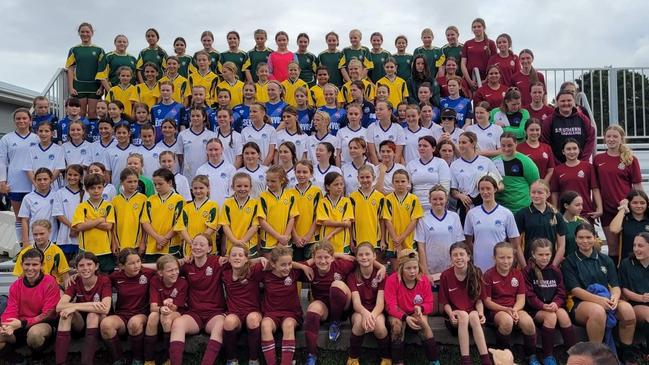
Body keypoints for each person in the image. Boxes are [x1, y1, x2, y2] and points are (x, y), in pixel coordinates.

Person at [561, 222, 637, 363]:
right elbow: (575, 290)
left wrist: (614, 297)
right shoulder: (570, 261)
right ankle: (595, 356)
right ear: (575, 239)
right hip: (580, 303)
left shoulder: (605, 260)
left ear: (595, 237)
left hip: (606, 300)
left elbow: (615, 285)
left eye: (589, 237)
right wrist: (599, 301)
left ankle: (626, 354)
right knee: (598, 311)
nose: (585, 241)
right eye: (581, 237)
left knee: (627, 311)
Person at [169, 235, 227, 365]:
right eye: (195, 244)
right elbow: (164, 266)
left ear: (209, 248)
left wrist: (261, 259)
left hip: (214, 313)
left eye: (201, 244)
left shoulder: (217, 262)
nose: (197, 247)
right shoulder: (187, 265)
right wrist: (182, 261)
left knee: (221, 325)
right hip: (194, 314)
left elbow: (240, 261)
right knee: (178, 324)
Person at [483, 241, 540, 365]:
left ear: (513, 257)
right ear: (494, 258)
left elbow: (521, 298)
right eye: (501, 257)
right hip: (496, 310)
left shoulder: (517, 274)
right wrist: (505, 309)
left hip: (515, 309)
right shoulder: (488, 275)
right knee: (507, 322)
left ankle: (531, 355)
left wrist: (514, 309)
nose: (506, 261)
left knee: (528, 323)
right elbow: (487, 302)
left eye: (509, 257)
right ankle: (503, 355)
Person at [0, 248, 60, 364]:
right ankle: (15, 358)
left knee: (34, 335)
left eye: (35, 264)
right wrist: (6, 325)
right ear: (22, 265)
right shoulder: (16, 285)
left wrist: (22, 323)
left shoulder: (50, 282)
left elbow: (49, 313)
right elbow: (11, 309)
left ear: (41, 265)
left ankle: (37, 358)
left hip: (42, 324)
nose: (30, 268)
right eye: (27, 264)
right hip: (18, 326)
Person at [524, 238, 576, 365]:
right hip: (535, 309)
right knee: (551, 317)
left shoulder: (555, 270)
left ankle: (573, 352)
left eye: (547, 254)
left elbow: (561, 292)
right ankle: (548, 355)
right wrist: (542, 305)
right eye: (540, 255)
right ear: (533, 254)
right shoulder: (527, 271)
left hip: (553, 306)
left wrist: (556, 303)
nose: (544, 258)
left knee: (563, 315)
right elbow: (528, 295)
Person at [438, 242, 492, 365]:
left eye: (462, 254)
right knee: (463, 315)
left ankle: (486, 359)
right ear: (451, 258)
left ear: (468, 256)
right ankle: (466, 361)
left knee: (473, 315)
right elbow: (445, 302)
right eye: (455, 255)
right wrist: (451, 314)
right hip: (454, 317)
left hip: (472, 315)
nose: (458, 257)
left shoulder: (476, 272)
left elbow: (479, 300)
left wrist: (481, 313)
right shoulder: (446, 275)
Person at [595, 125, 643, 264]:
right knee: (613, 248)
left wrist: (640, 206)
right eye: (608, 136)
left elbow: (638, 187)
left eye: (615, 136)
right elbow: (596, 187)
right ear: (604, 138)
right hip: (607, 210)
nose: (611, 139)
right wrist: (599, 207)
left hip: (626, 210)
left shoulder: (630, 159)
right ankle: (614, 281)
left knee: (630, 246)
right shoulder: (598, 159)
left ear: (621, 138)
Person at [384, 249, 441, 365]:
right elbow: (390, 306)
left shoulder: (423, 280)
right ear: (401, 268)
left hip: (416, 313)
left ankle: (434, 360)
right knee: (397, 326)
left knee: (424, 324)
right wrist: (405, 317)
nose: (412, 271)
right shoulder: (392, 280)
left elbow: (430, 303)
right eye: (408, 268)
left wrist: (421, 308)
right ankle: (398, 361)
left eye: (415, 268)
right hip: (399, 314)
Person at [303, 241, 356, 364]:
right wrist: (304, 266)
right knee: (312, 309)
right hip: (325, 308)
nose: (323, 261)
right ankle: (311, 355)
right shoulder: (310, 270)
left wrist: (380, 267)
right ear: (313, 258)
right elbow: (289, 265)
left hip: (342, 306)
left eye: (326, 257)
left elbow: (362, 259)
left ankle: (335, 323)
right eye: (319, 257)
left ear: (332, 258)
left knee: (336, 285)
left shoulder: (341, 265)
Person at [55, 252, 112, 365]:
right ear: (76, 268)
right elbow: (59, 307)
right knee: (65, 314)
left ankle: (87, 362)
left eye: (89, 264)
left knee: (92, 314)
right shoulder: (74, 281)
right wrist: (79, 307)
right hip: (80, 324)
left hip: (100, 324)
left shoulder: (104, 280)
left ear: (96, 266)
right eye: (81, 265)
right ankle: (60, 362)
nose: (85, 268)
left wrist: (75, 306)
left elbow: (105, 308)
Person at [101, 249, 156, 365]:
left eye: (138, 261)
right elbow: (98, 280)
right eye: (131, 263)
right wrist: (77, 275)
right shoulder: (115, 277)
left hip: (141, 315)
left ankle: (138, 359)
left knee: (134, 323)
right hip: (121, 316)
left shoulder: (148, 273)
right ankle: (118, 360)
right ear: (121, 266)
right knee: (106, 325)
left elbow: (166, 265)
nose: (136, 266)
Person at [260, 246, 312, 365]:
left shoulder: (294, 272)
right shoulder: (264, 274)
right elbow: (246, 264)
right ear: (273, 264)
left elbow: (314, 259)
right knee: (265, 325)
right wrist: (259, 260)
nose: (287, 267)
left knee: (288, 325)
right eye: (283, 265)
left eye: (290, 263)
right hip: (271, 314)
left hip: (291, 314)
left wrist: (303, 266)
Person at [345, 241, 391, 365]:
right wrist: (365, 314)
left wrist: (372, 316)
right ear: (356, 257)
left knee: (380, 326)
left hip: (377, 310)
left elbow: (380, 303)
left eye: (367, 254)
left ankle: (386, 357)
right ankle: (353, 357)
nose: (364, 257)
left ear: (374, 256)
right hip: (359, 311)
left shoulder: (381, 275)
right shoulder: (352, 276)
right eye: (360, 255)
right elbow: (356, 303)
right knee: (360, 323)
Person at [464, 176, 521, 271]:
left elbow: (514, 242)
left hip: (500, 263)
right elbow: (468, 241)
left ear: (495, 189)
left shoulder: (506, 213)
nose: (485, 192)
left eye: (488, 188)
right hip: (479, 263)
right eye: (482, 189)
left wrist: (508, 258)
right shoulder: (472, 213)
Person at [220, 243, 265, 364]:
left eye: (241, 255)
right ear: (229, 258)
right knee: (229, 321)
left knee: (252, 319)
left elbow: (277, 264)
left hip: (253, 311)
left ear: (246, 259)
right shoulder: (225, 273)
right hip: (235, 313)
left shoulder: (254, 270)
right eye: (233, 255)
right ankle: (232, 359)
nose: (237, 257)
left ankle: (254, 359)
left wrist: (260, 259)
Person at [0, 108, 40, 241]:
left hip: (34, 184)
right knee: (19, 218)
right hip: (15, 184)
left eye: (24, 118)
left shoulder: (37, 138)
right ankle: (22, 248)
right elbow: (2, 161)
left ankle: (34, 246)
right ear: (14, 121)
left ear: (30, 120)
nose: (21, 121)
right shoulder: (7, 138)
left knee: (34, 217)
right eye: (18, 118)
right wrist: (2, 182)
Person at [450, 131, 503, 222]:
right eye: (459, 142)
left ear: (473, 143)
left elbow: (501, 185)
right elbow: (453, 190)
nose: (461, 145)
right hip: (465, 204)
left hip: (485, 202)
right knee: (467, 233)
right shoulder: (455, 165)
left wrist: (488, 191)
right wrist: (460, 196)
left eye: (464, 142)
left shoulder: (486, 162)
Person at [144, 255, 187, 365]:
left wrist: (169, 305)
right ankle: (149, 360)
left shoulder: (182, 283)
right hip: (159, 311)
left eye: (176, 269)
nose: (174, 273)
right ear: (160, 273)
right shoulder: (154, 281)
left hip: (176, 314)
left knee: (166, 318)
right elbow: (153, 307)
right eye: (170, 270)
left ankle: (167, 357)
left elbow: (176, 307)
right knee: (153, 316)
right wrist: (162, 307)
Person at [416, 185, 464, 283]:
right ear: (429, 200)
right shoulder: (423, 218)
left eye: (441, 199)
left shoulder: (454, 217)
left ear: (446, 199)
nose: (438, 202)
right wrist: (425, 272)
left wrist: (456, 265)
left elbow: (459, 244)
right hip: (431, 268)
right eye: (434, 199)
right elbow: (421, 246)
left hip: (451, 266)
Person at [72, 173, 116, 273]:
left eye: (99, 187)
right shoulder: (81, 207)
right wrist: (100, 220)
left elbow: (108, 226)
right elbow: (79, 226)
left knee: (105, 276)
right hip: (86, 249)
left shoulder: (108, 206)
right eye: (92, 188)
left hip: (105, 249)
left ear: (103, 188)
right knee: (87, 274)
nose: (96, 191)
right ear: (87, 189)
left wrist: (89, 222)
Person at [516, 180, 567, 264]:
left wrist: (553, 266)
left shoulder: (556, 215)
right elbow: (516, 245)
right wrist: (525, 267)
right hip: (530, 263)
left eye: (540, 193)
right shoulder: (522, 214)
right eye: (533, 192)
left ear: (548, 194)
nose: (536, 195)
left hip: (550, 263)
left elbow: (561, 245)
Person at [550, 139, 602, 222]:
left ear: (579, 150)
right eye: (568, 149)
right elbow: (555, 193)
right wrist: (555, 210)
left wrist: (599, 208)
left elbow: (595, 189)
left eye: (574, 148)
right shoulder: (557, 170)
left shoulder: (588, 167)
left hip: (585, 212)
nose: (572, 151)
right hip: (565, 214)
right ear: (563, 152)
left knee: (585, 235)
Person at [140, 168, 185, 262]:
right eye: (155, 184)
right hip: (152, 246)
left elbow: (179, 224)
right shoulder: (150, 200)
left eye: (160, 184)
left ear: (169, 183)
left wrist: (164, 239)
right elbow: (145, 222)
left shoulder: (179, 200)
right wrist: (157, 238)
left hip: (171, 246)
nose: (157, 187)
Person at [382, 169, 424, 268]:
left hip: (409, 241)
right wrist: (396, 239)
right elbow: (387, 220)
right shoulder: (388, 199)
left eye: (403, 181)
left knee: (410, 269)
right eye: (397, 181)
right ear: (392, 183)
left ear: (408, 183)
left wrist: (401, 238)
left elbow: (414, 221)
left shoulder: (414, 199)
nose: (400, 184)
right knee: (397, 271)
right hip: (393, 243)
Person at [542, 90, 595, 164]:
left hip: (580, 164)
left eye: (569, 100)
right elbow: (545, 143)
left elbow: (590, 140)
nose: (566, 103)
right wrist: (556, 163)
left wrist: (582, 161)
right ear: (557, 102)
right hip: (557, 166)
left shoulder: (584, 119)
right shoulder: (549, 121)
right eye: (562, 101)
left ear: (573, 102)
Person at [13, 219, 70, 287]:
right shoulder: (25, 252)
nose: (38, 237)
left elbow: (65, 277)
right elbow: (19, 277)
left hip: (52, 287)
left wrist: (67, 295)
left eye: (42, 234)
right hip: (31, 287)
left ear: (49, 232)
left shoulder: (57, 252)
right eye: (35, 234)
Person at [493, 132, 540, 213]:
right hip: (500, 209)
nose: (506, 149)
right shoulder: (494, 162)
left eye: (510, 145)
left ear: (516, 144)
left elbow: (535, 183)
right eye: (503, 145)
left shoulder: (525, 161)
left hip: (521, 209)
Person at [65, 23, 105, 119]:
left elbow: (103, 71)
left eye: (87, 32)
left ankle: (92, 134)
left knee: (93, 113)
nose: (85, 34)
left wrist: (101, 87)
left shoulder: (99, 50)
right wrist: (70, 87)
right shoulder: (74, 50)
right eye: (82, 32)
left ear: (92, 33)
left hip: (94, 86)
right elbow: (70, 68)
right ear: (79, 33)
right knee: (80, 113)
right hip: (79, 85)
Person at [618, 232, 649, 354]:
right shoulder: (627, 263)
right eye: (634, 245)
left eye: (640, 246)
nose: (636, 249)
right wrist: (642, 298)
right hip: (634, 304)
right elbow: (624, 290)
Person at [258, 166, 299, 255]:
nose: (269, 184)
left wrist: (284, 237)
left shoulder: (290, 195)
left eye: (273, 181)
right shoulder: (263, 196)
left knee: (285, 267)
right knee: (271, 268)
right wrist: (278, 237)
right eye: (267, 180)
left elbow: (292, 218)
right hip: (268, 243)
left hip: (285, 242)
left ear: (282, 180)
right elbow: (261, 220)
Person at [219, 172, 261, 256]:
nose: (242, 189)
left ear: (251, 187)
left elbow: (255, 226)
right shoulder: (227, 203)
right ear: (232, 187)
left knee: (249, 268)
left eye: (246, 186)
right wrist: (235, 241)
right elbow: (225, 225)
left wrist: (242, 241)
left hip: (249, 245)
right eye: (239, 186)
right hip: (232, 245)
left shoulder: (256, 204)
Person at [407, 136, 451, 211]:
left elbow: (445, 187)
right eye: (420, 145)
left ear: (433, 149)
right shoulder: (411, 164)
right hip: (416, 205)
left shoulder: (441, 163)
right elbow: (407, 187)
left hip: (435, 204)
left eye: (425, 146)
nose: (421, 148)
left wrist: (439, 203)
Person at [289, 160, 322, 259]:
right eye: (298, 172)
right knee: (297, 268)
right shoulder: (289, 193)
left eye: (305, 172)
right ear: (294, 173)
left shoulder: (317, 192)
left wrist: (308, 235)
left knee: (311, 267)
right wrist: (295, 236)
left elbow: (318, 216)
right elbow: (289, 217)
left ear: (311, 174)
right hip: (295, 239)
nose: (301, 175)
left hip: (312, 238)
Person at [180, 175, 219, 256]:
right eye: (195, 188)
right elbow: (181, 227)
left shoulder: (213, 205)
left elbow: (212, 227)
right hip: (190, 248)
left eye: (201, 188)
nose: (198, 191)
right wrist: (191, 243)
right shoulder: (187, 207)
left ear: (208, 188)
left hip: (207, 249)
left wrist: (199, 242)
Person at [111, 167, 147, 252]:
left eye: (135, 181)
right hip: (119, 244)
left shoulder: (143, 199)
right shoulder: (115, 200)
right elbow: (112, 225)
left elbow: (145, 223)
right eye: (129, 182)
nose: (133, 184)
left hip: (136, 244)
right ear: (122, 182)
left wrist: (143, 242)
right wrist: (114, 242)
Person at [317, 172, 354, 254]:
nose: (340, 187)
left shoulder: (347, 201)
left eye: (341, 184)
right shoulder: (322, 202)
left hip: (342, 241)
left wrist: (331, 234)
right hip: (326, 241)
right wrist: (343, 224)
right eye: (336, 184)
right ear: (327, 186)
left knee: (343, 265)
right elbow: (324, 222)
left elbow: (348, 223)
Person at [52, 165, 84, 258]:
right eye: (69, 174)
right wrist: (72, 226)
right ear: (65, 175)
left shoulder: (85, 193)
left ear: (81, 177)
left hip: (81, 235)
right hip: (64, 236)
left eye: (75, 175)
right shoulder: (60, 193)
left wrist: (78, 228)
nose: (72, 177)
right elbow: (58, 214)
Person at [349, 165, 385, 250]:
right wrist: (351, 240)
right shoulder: (352, 197)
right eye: (362, 177)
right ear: (358, 178)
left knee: (375, 262)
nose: (365, 180)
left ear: (374, 177)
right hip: (357, 239)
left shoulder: (380, 197)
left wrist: (383, 239)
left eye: (368, 177)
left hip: (375, 239)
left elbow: (382, 220)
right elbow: (350, 221)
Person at [18, 168, 57, 245]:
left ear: (51, 179)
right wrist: (25, 241)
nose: (42, 182)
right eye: (39, 179)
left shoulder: (57, 195)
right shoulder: (28, 198)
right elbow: (24, 220)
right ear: (35, 180)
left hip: (53, 238)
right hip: (34, 239)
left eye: (45, 179)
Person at [178, 106, 217, 179]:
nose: (195, 118)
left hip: (206, 174)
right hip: (188, 175)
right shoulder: (182, 135)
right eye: (193, 116)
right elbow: (180, 157)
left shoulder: (211, 135)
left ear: (204, 117)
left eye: (198, 116)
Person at [610, 190, 649, 261]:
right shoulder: (623, 218)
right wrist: (623, 208)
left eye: (642, 203)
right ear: (629, 204)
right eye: (635, 203)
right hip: (628, 263)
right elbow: (614, 229)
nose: (639, 206)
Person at [195, 138, 237, 205]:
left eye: (216, 149)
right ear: (206, 151)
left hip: (224, 208)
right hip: (207, 209)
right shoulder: (201, 170)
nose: (213, 152)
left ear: (222, 149)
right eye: (210, 150)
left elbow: (233, 192)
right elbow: (198, 192)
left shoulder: (230, 169)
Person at [26, 121, 65, 189]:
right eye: (40, 131)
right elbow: (28, 170)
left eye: (47, 131)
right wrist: (36, 184)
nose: (43, 134)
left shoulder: (59, 149)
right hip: (37, 187)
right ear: (37, 133)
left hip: (53, 187)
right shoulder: (31, 149)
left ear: (52, 133)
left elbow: (58, 169)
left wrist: (47, 184)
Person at [516, 118, 555, 183]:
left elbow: (551, 169)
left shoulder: (547, 147)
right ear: (525, 131)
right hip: (525, 186)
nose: (535, 132)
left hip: (543, 187)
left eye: (537, 130)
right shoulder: (518, 148)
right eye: (531, 130)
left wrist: (544, 182)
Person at [461, 18, 497, 87]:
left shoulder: (491, 43)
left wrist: (486, 79)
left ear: (484, 28)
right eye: (474, 27)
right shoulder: (467, 43)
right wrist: (469, 81)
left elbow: (494, 64)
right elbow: (463, 63)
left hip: (486, 81)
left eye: (479, 26)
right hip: (470, 79)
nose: (476, 29)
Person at [559, 191, 587, 257]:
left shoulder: (583, 222)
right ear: (566, 205)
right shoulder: (556, 223)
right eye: (577, 205)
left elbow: (597, 246)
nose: (581, 208)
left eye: (581, 204)